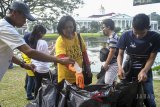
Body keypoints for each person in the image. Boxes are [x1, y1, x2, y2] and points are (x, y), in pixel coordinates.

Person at [0, 1, 74, 81]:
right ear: (14, 13)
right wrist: (59, 60)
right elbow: (29, 52)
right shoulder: (6, 29)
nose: (25, 21)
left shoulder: (4, 26)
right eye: (24, 17)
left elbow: (7, 53)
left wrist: (23, 64)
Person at [117, 13, 160, 107]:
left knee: (149, 98)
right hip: (128, 68)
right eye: (135, 32)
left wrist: (144, 70)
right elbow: (120, 54)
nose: (137, 36)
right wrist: (120, 68)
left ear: (148, 28)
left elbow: (152, 58)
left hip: (145, 68)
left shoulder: (155, 37)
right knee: (124, 96)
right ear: (132, 26)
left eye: (142, 33)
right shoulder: (125, 35)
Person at [55, 15, 92, 88]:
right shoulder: (60, 41)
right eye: (65, 27)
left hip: (79, 75)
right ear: (61, 28)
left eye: (71, 27)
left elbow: (84, 52)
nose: (69, 29)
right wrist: (77, 70)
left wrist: (88, 67)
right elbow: (62, 58)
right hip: (66, 78)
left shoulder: (78, 36)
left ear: (74, 26)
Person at [99, 19, 119, 85]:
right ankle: (114, 93)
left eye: (104, 27)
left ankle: (110, 94)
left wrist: (106, 64)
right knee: (113, 81)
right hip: (114, 62)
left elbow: (112, 51)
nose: (103, 29)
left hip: (113, 63)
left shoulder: (113, 37)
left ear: (108, 27)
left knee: (107, 82)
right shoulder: (112, 36)